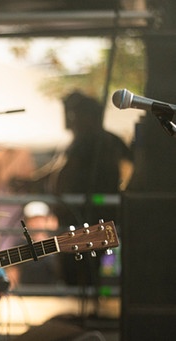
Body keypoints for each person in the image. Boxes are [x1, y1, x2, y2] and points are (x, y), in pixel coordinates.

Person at [52, 90, 133, 287]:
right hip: (78, 214)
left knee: (86, 261)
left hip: (91, 215)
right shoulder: (87, 141)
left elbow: (130, 167)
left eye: (77, 114)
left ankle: (90, 296)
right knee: (78, 263)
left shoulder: (103, 141)